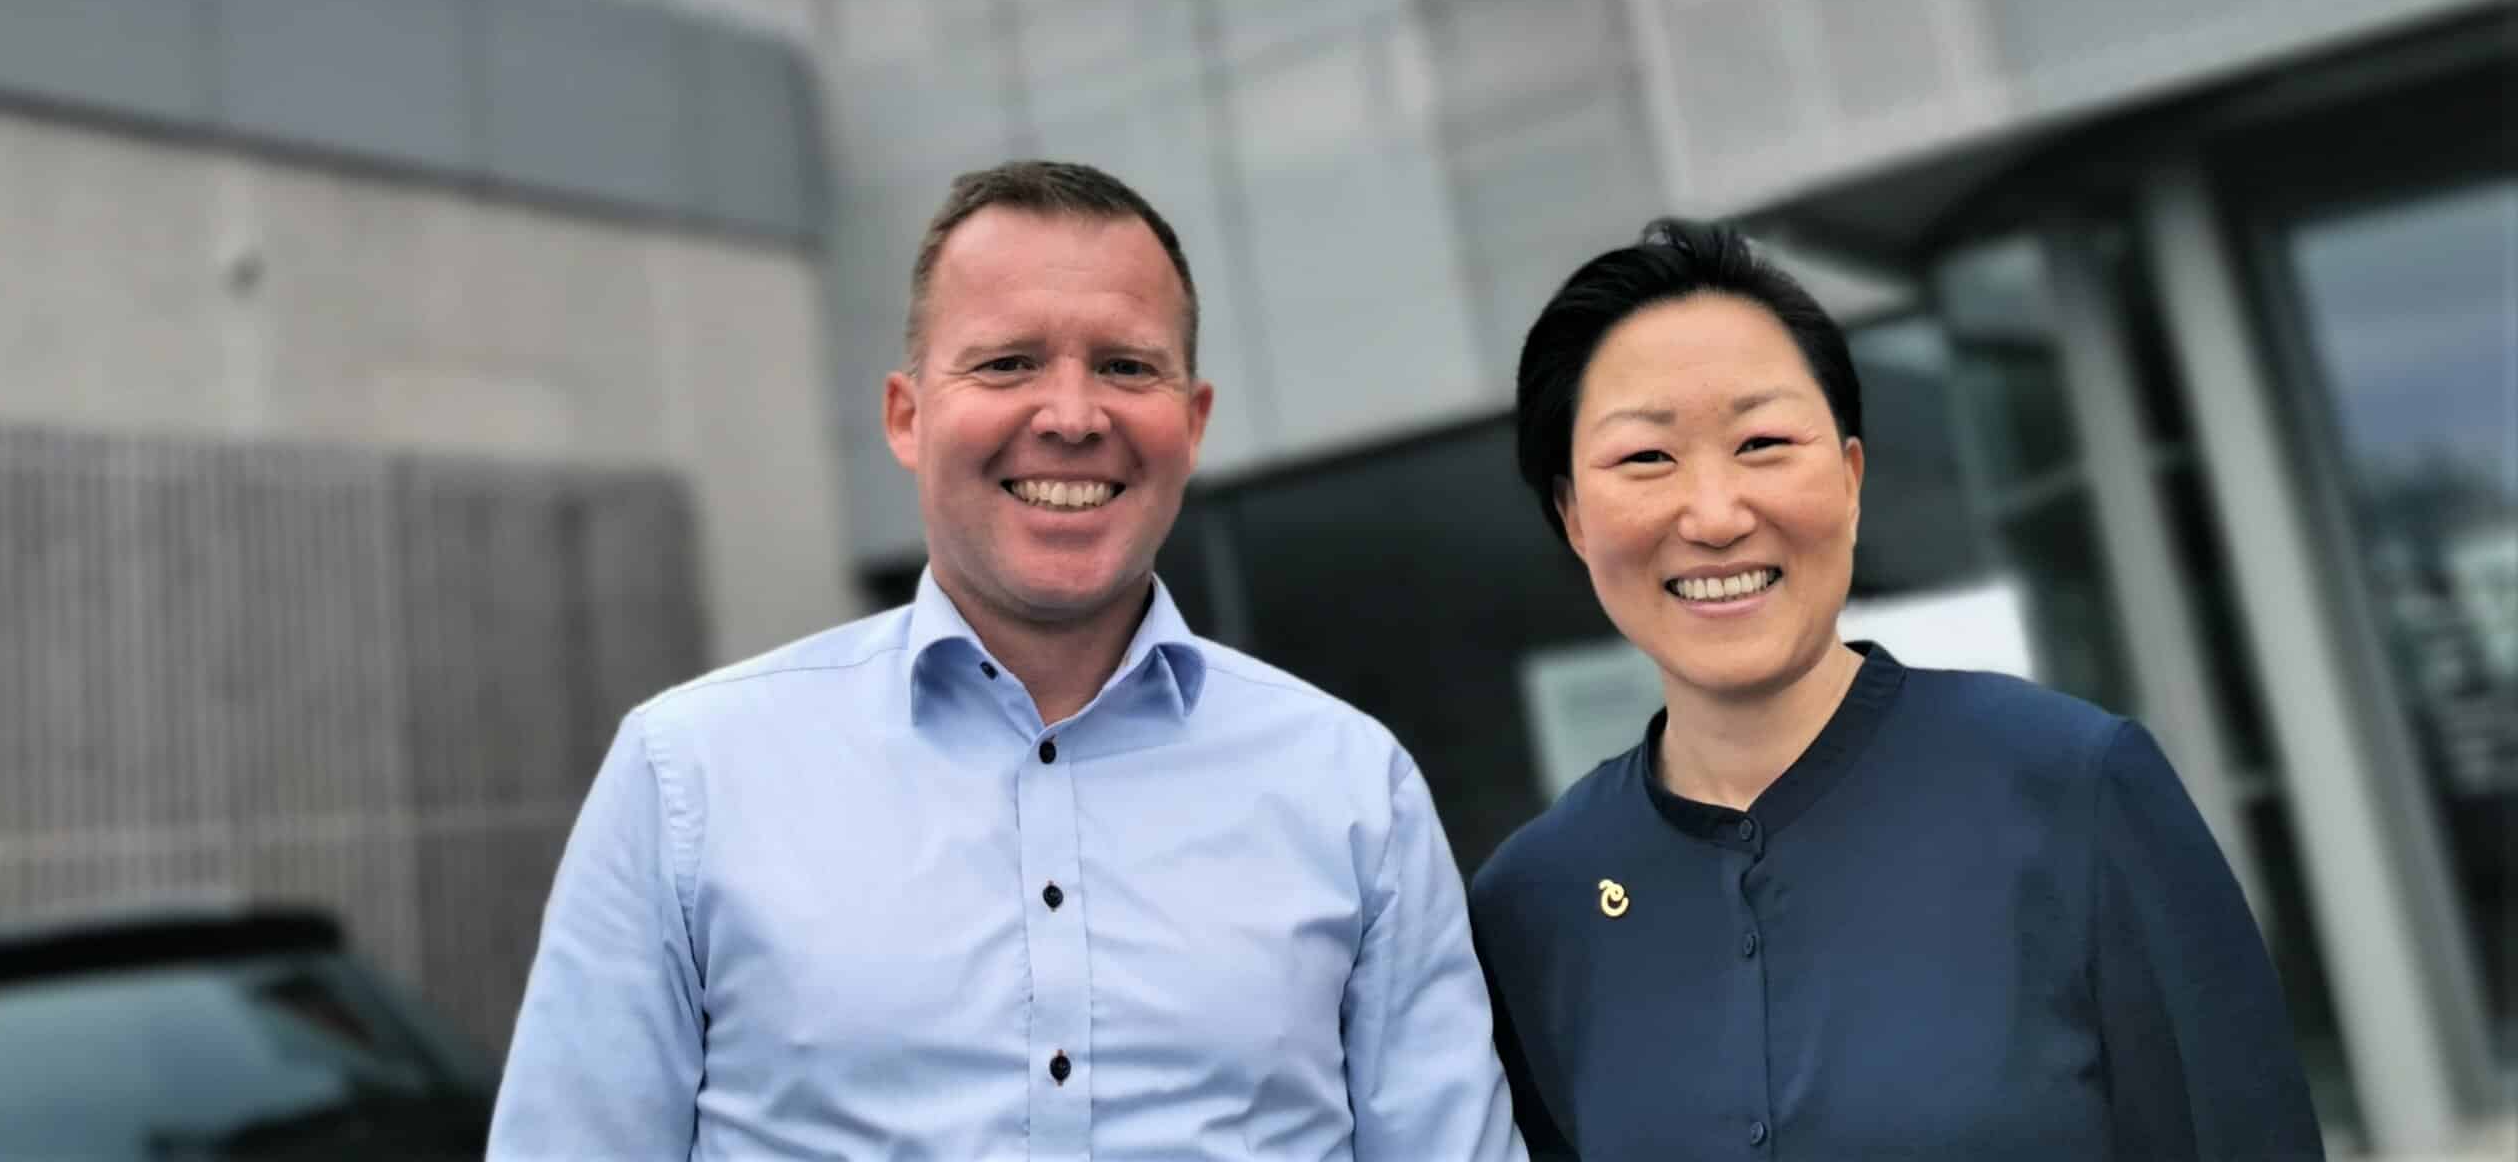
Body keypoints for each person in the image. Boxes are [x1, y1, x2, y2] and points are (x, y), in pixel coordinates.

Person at [490, 160, 1525, 1161]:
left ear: (1193, 420)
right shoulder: (687, 775)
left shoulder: (1354, 787)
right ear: (907, 417)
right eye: (1006, 363)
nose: (1072, 418)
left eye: (1126, 366)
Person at [1470, 220, 2323, 1161]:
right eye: (1646, 458)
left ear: (1849, 478)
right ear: (1573, 516)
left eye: (1762, 441)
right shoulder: (1533, 905)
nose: (1714, 515)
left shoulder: (2074, 788)